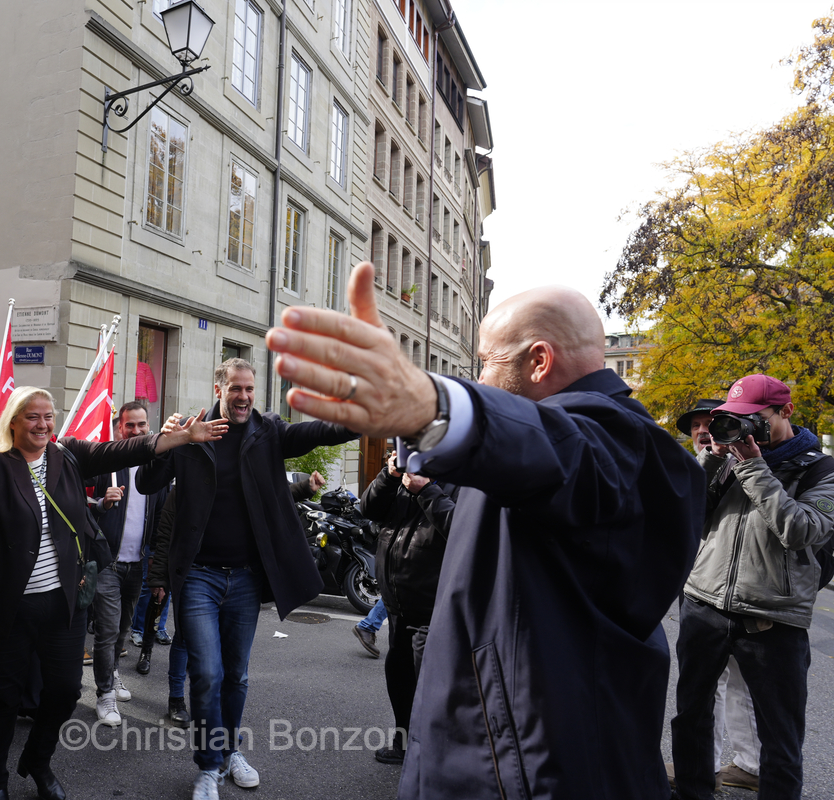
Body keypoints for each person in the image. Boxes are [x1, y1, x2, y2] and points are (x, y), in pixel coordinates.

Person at [264, 262, 706, 799]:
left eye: (486, 363)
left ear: (539, 361)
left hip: (535, 771)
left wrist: (436, 407)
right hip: (497, 753)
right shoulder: (542, 442)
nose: (479, 380)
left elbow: (553, 450)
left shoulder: (623, 445)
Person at [0, 387, 227, 800]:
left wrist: (173, 439)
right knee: (2, 699)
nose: (42, 424)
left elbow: (120, 451)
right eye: (32, 417)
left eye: (48, 416)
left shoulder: (68, 454)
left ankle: (38, 759)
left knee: (66, 690)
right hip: (8, 607)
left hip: (63, 604)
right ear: (14, 421)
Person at [137, 358, 360, 800]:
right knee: (207, 672)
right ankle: (208, 766)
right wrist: (166, 440)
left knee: (235, 675)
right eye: (236, 389)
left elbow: (322, 431)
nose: (243, 397)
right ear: (218, 388)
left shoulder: (268, 432)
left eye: (250, 390)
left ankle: (229, 752)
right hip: (198, 576)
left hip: (243, 579)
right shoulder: (194, 431)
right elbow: (146, 482)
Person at [671, 374, 834, 800]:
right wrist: (710, 461)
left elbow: (801, 530)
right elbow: (688, 517)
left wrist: (754, 467)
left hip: (772, 616)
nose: (743, 427)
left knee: (779, 734)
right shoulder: (727, 459)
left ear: (786, 412)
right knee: (690, 716)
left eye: (754, 418)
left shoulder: (821, 468)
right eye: (735, 418)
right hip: (704, 602)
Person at [665, 400, 761, 793]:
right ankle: (721, 765)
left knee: (736, 683)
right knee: (715, 685)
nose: (703, 432)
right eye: (696, 427)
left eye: (711, 424)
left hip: (743, 593)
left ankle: (748, 765)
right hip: (702, 590)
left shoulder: (748, 463)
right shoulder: (691, 467)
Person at [359, 450, 456, 766]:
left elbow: (461, 531)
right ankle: (403, 743)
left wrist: (426, 490)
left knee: (436, 688)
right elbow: (368, 508)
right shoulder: (405, 472)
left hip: (436, 607)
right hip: (398, 602)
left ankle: (436, 758)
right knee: (399, 676)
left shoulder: (465, 476)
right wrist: (388, 474)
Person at [89, 399, 171, 726]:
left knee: (123, 630)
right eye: (129, 426)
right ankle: (104, 694)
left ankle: (111, 673)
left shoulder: (155, 469)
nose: (136, 431)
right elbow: (80, 503)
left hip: (136, 566)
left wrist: (158, 570)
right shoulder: (104, 462)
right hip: (106, 563)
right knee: (108, 631)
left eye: (141, 425)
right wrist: (100, 503)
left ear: (148, 427)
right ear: (118, 428)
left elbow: (164, 519)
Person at [145, 487, 192, 726]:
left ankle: (214, 706)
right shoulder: (185, 484)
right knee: (184, 637)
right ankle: (176, 699)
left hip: (232, 575)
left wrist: (302, 489)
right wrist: (159, 579)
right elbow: (165, 534)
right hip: (191, 573)